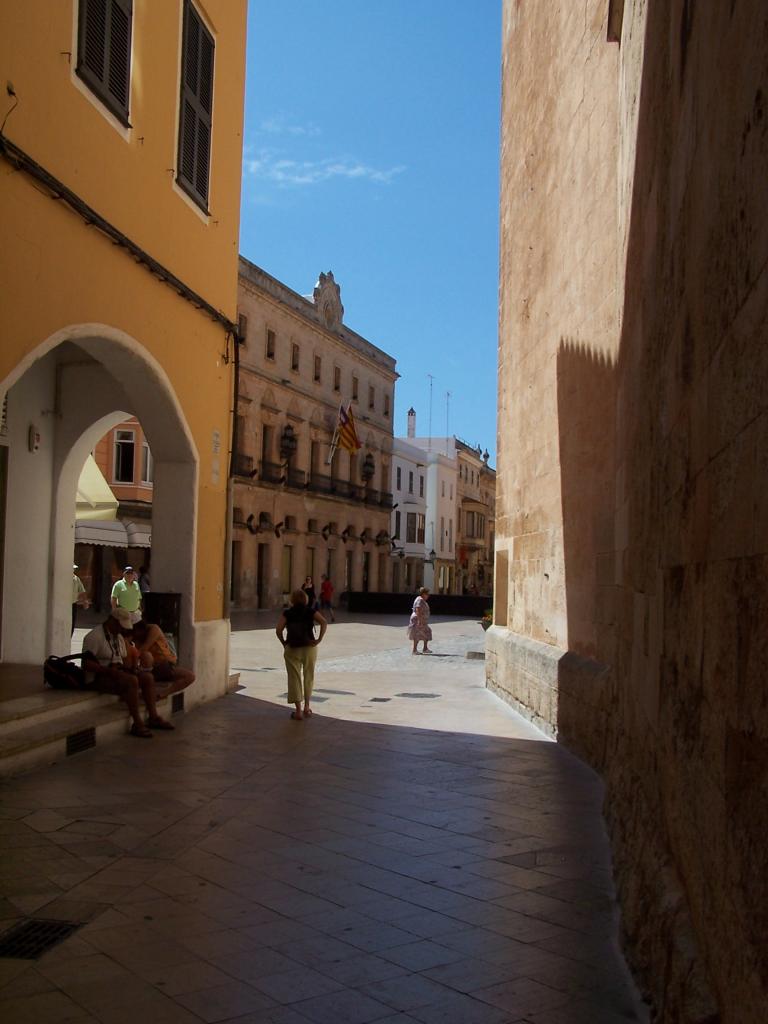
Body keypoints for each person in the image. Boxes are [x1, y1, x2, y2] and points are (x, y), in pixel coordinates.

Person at [81, 615, 174, 738]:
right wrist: (109, 671)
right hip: (98, 677)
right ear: (112, 621)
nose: (123, 630)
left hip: (116, 673)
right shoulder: (94, 637)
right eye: (120, 626)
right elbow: (86, 664)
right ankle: (137, 723)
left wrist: (131, 669)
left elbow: (123, 658)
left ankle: (153, 717)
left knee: (147, 678)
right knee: (131, 681)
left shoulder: (118, 637)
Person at [276, 589, 327, 720]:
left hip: (292, 647)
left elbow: (278, 630)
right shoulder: (310, 611)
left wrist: (284, 643)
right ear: (305, 599)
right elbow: (323, 622)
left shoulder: (287, 613)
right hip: (309, 646)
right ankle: (307, 707)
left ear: (292, 599)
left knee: (294, 678)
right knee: (309, 676)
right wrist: (319, 639)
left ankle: (298, 711)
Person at [130, 619, 195, 691]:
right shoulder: (135, 638)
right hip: (151, 669)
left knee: (190, 677)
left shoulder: (153, 629)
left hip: (165, 665)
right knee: (147, 657)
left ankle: (164, 693)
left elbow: (145, 647)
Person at [408, 586, 432, 654]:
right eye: (427, 594)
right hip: (418, 620)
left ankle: (425, 648)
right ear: (423, 594)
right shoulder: (420, 600)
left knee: (427, 632)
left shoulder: (421, 599)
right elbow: (418, 610)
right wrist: (419, 620)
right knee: (417, 634)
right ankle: (414, 650)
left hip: (422, 620)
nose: (428, 595)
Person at [71, 564, 90, 636]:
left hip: (73, 604)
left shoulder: (76, 579)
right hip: (64, 604)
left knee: (72, 623)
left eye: (74, 569)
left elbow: (82, 591)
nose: (74, 570)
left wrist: (85, 601)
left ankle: (70, 637)